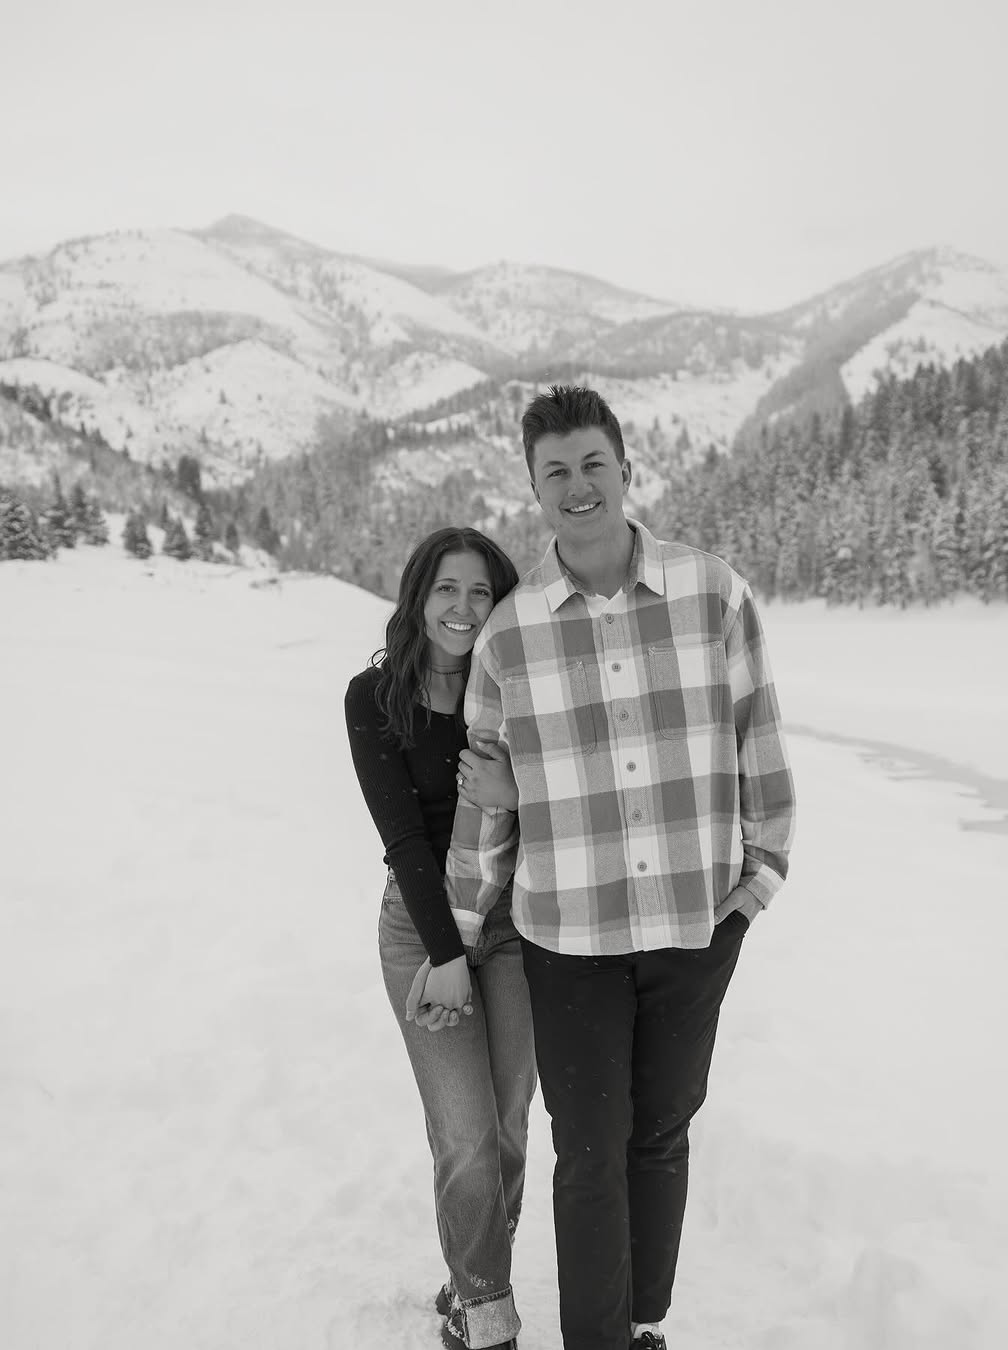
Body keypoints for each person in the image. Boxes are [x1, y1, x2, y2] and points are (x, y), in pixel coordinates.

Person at [443, 387, 796, 1350]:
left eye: (593, 463)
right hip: (570, 938)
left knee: (662, 1134)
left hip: (693, 928)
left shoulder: (712, 594)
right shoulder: (510, 633)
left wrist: (753, 890)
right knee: (589, 1152)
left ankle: (643, 1324)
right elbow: (486, 800)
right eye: (555, 471)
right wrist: (460, 934)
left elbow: (761, 745)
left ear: (627, 469)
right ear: (534, 489)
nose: (578, 485)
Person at [344, 527, 537, 1350]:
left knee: (508, 1125)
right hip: (422, 929)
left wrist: (519, 787)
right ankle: (486, 1312)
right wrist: (448, 955)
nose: (463, 607)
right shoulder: (374, 697)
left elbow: (571, 798)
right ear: (419, 596)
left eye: (481, 591)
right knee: (464, 1131)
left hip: (517, 920)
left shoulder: (521, 689)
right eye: (447, 589)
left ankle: (471, 1279)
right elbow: (404, 840)